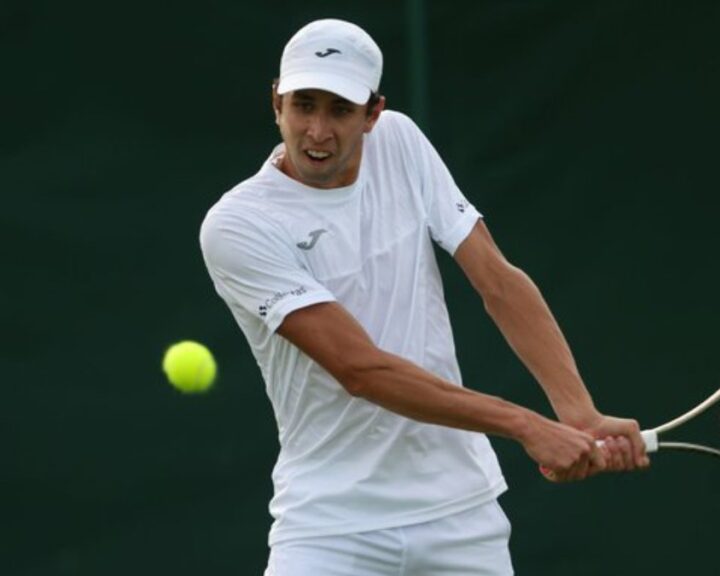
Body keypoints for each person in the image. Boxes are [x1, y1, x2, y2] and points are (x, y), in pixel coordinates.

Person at [199, 18, 648, 576]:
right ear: (276, 102)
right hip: (330, 530)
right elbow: (361, 370)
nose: (316, 130)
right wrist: (527, 425)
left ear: (373, 114)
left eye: (340, 110)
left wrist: (577, 412)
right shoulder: (238, 224)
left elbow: (497, 280)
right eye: (303, 104)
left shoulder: (401, 143)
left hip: (461, 520)